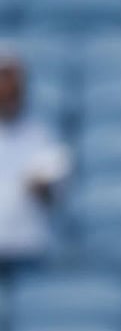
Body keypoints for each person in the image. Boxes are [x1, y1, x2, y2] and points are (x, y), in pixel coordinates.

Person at [0, 55, 71, 285]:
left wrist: (40, 188)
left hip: (28, 248)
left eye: (13, 85)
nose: (8, 91)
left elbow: (54, 195)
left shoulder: (42, 136)